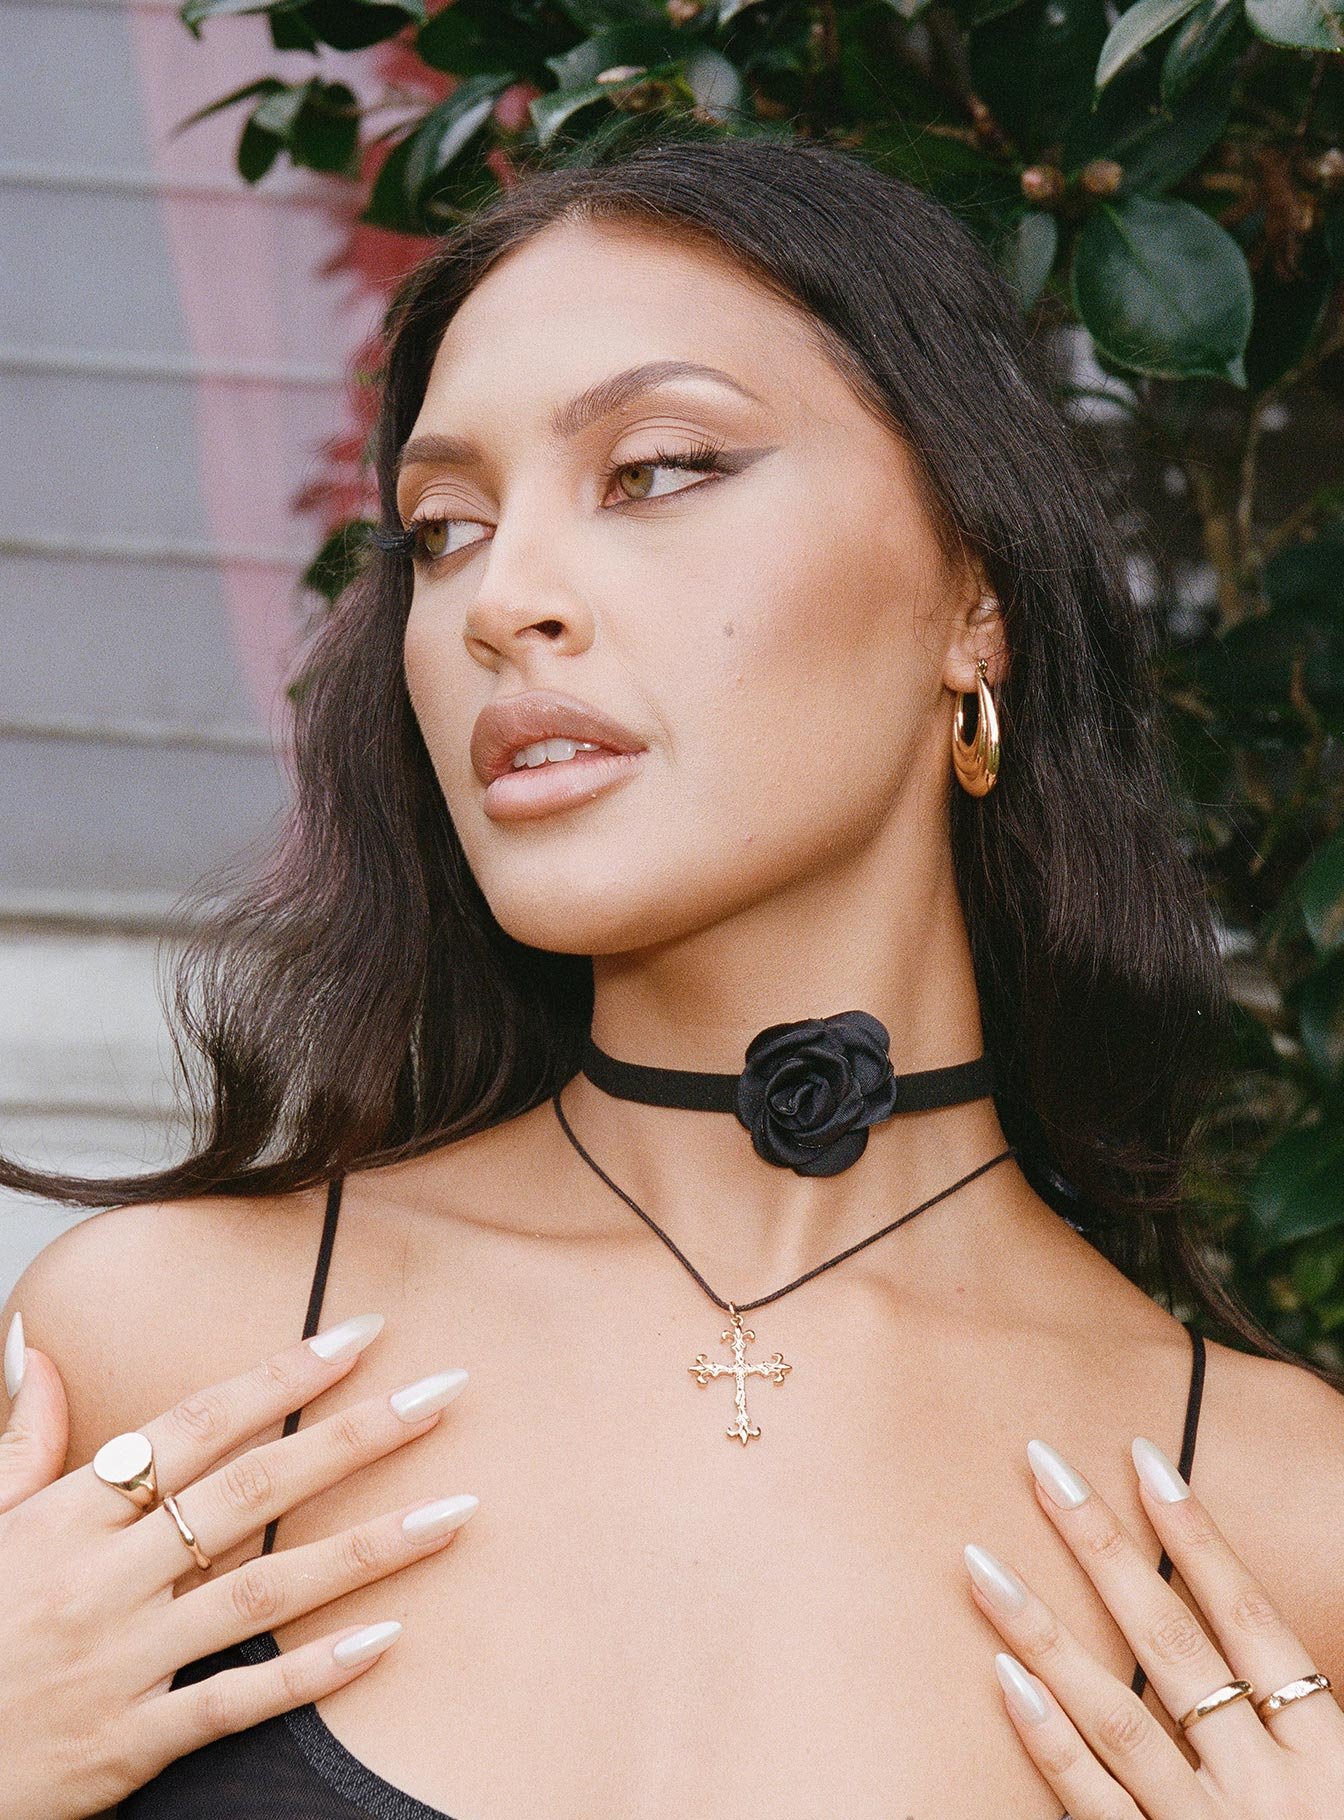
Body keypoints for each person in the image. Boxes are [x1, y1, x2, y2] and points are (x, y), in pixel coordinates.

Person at [2, 130, 1342, 1820]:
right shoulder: (161, 1351)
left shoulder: (1277, 1521)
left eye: (655, 469)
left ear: (975, 596)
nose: (502, 601)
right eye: (442, 529)